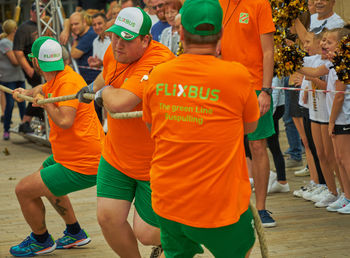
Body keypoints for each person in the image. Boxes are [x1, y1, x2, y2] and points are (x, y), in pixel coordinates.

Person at [143, 0, 259, 256]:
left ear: (181, 33)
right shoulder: (236, 75)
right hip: (220, 204)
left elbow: (152, 126)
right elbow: (250, 125)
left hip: (168, 199)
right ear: (221, 34)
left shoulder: (158, 75)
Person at [76, 7, 174, 257]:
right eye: (115, 35)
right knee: (107, 218)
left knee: (147, 233)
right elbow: (106, 74)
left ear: (145, 40)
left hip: (154, 163)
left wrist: (101, 93)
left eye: (126, 39)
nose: (117, 44)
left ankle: (188, 234)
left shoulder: (159, 62)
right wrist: (91, 87)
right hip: (116, 155)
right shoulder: (115, 49)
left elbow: (120, 103)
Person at [9, 36, 104, 257]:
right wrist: (26, 94)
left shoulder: (68, 82)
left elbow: (64, 120)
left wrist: (43, 101)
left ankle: (41, 240)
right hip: (71, 156)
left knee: (23, 190)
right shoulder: (60, 76)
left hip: (83, 162)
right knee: (44, 177)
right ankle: (75, 233)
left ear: (35, 62)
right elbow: (43, 88)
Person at [219, 0, 276, 227]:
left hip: (254, 87)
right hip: (224, 86)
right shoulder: (216, 4)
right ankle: (233, 207)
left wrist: (266, 90)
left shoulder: (260, 4)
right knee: (226, 148)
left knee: (258, 146)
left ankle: (261, 209)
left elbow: (269, 51)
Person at [13, 1, 45, 134]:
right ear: (31, 12)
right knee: (39, 91)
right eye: (37, 11)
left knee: (44, 92)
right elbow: (18, 52)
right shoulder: (24, 28)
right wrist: (28, 69)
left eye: (42, 11)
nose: (39, 13)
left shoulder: (45, 25)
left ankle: (37, 121)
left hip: (44, 66)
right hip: (32, 67)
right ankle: (25, 121)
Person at [0, 19, 26, 140]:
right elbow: (15, 61)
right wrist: (24, 58)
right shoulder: (4, 42)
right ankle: (6, 130)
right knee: (10, 105)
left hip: (19, 77)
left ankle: (25, 126)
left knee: (23, 104)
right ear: (14, 29)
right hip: (8, 79)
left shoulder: (15, 41)